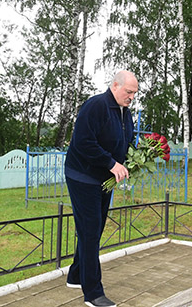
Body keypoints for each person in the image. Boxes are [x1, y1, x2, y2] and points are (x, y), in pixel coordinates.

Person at [64, 70, 138, 307]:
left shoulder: (125, 113)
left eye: (135, 94)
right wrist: (111, 163)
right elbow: (83, 142)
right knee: (90, 231)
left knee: (94, 229)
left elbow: (126, 140)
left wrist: (133, 159)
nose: (131, 97)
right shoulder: (95, 106)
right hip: (82, 176)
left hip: (104, 179)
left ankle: (76, 275)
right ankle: (93, 293)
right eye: (129, 92)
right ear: (115, 86)